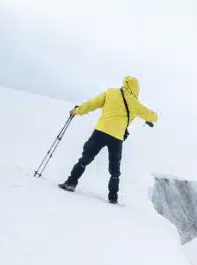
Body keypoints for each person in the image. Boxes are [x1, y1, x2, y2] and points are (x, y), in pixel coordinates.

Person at [59, 76, 158, 204]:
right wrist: (148, 118)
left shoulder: (110, 93)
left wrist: (77, 111)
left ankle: (71, 183)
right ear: (136, 89)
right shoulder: (135, 104)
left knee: (85, 158)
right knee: (115, 170)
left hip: (100, 132)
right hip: (116, 138)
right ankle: (113, 198)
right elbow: (154, 117)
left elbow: (91, 104)